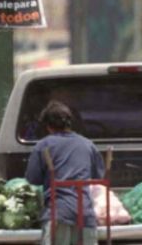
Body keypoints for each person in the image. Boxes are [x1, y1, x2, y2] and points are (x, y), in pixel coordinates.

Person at [25, 101, 105, 245]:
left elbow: (32, 178)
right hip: (85, 215)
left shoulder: (43, 146)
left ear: (48, 126)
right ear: (70, 123)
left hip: (57, 213)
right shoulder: (88, 145)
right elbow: (98, 176)